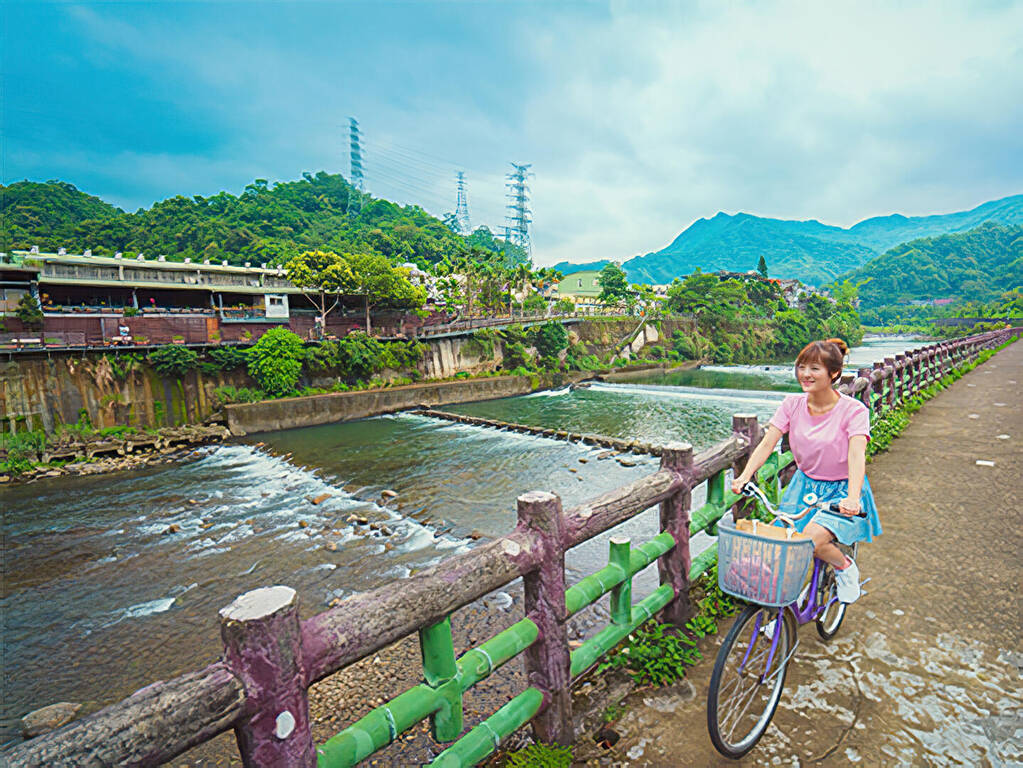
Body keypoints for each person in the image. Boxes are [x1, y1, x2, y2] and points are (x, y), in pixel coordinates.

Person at [731, 338, 881, 603]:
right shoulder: (792, 404)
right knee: (777, 547)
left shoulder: (853, 411)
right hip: (804, 486)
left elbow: (857, 455)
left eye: (814, 368)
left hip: (841, 489)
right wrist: (744, 476)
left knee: (808, 542)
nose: (805, 374)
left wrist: (853, 497)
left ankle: (844, 567)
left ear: (834, 373)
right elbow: (768, 442)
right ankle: (782, 613)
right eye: (801, 367)